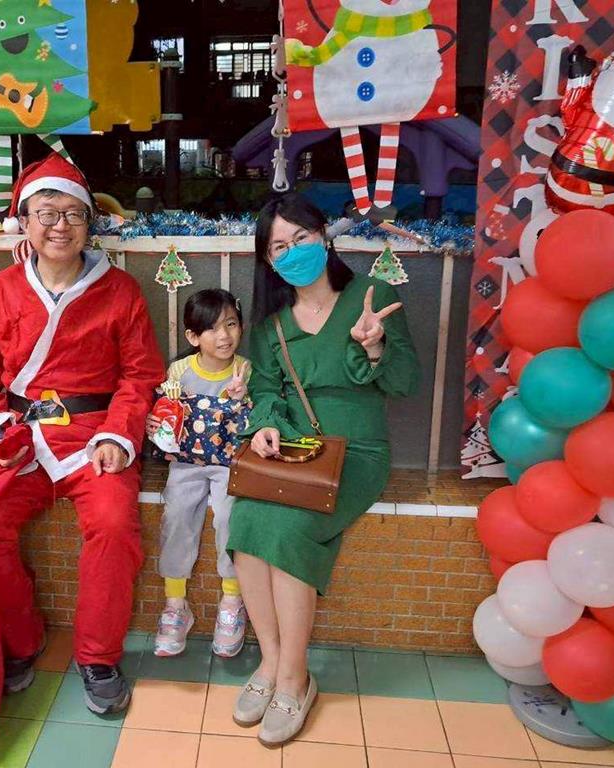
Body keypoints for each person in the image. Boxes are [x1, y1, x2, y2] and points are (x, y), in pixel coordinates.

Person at [0, 153, 164, 734]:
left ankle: (97, 657)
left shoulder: (120, 291)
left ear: (89, 223)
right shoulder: (0, 290)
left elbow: (140, 376)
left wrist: (118, 435)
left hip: (93, 436)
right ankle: (21, 639)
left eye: (73, 213)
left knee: (114, 524)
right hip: (20, 437)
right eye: (47, 213)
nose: (60, 225)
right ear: (24, 222)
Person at [228, 193, 420, 747]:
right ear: (268, 262)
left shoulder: (372, 297)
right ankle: (270, 663)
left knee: (289, 530)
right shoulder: (270, 326)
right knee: (245, 524)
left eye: (302, 238)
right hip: (294, 450)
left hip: (356, 452)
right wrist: (265, 425)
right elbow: (267, 391)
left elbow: (405, 383)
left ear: (324, 237)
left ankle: (296, 679)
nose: (293, 252)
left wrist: (376, 346)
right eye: (278, 247)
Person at [146, 289, 252, 659]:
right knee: (176, 516)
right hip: (186, 463)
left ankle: (232, 602)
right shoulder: (179, 372)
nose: (224, 336)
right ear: (193, 337)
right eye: (212, 328)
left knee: (229, 516)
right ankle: (175, 606)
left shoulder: (245, 370)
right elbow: (163, 414)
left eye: (231, 324)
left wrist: (242, 397)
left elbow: (255, 419)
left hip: (230, 465)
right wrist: (155, 419)